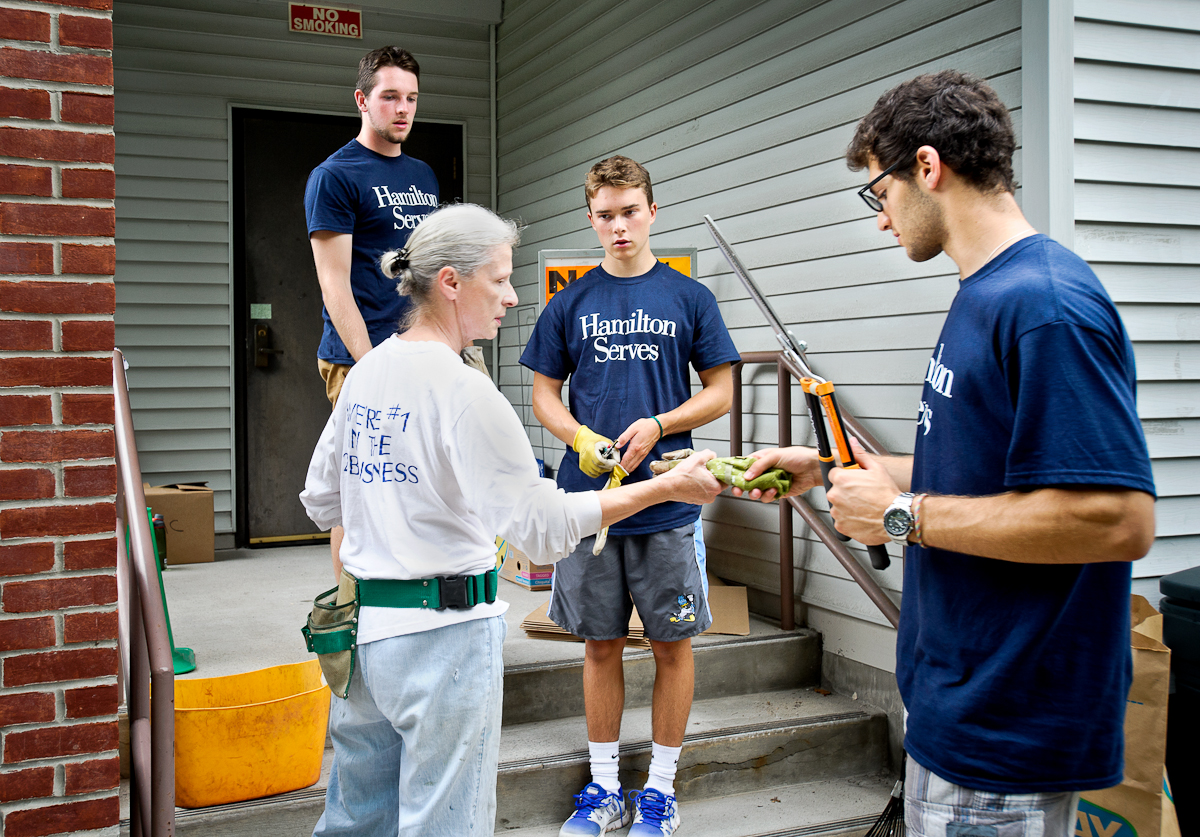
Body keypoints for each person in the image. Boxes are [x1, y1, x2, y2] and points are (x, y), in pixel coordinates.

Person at [735, 71, 1156, 837]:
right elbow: (976, 471)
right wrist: (826, 469)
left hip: (1007, 735)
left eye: (880, 193)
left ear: (928, 167)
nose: (881, 219)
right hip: (956, 711)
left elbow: (1116, 519)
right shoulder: (981, 292)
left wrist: (900, 515)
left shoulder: (1046, 307)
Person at [299, 203, 726, 837]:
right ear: (451, 281)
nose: (513, 295)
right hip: (442, 641)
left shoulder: (367, 374)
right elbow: (541, 529)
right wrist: (662, 486)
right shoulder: (467, 392)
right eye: (498, 279)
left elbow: (321, 500)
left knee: (356, 822)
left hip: (362, 639)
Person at [520, 156, 742, 837]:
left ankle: (662, 791)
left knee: (673, 644)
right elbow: (542, 394)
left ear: (653, 211)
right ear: (591, 219)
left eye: (630, 211)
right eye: (606, 214)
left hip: (670, 501)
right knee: (600, 644)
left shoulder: (688, 298)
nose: (619, 225)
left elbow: (721, 389)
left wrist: (662, 422)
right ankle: (605, 787)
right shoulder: (569, 303)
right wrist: (580, 436)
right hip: (590, 508)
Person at [304, 45, 439, 580]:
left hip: (421, 350)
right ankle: (349, 610)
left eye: (410, 98)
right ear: (362, 100)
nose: (402, 109)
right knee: (361, 489)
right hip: (360, 356)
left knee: (419, 479)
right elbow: (334, 282)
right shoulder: (335, 176)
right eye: (389, 97)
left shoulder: (423, 174)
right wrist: (369, 365)